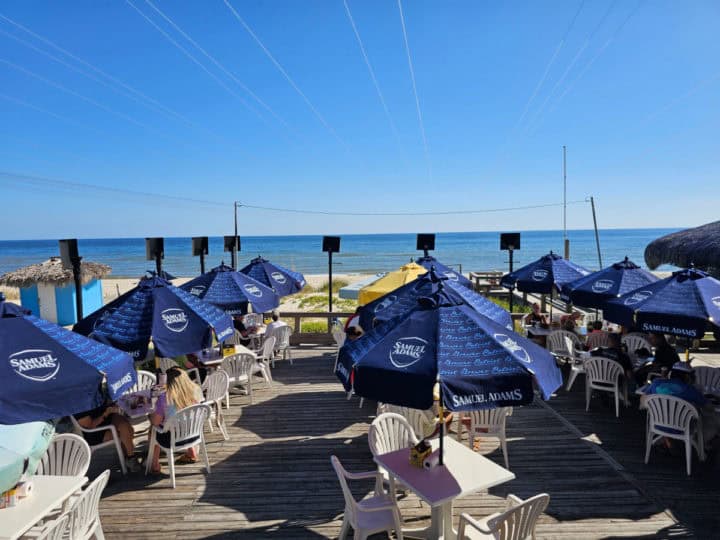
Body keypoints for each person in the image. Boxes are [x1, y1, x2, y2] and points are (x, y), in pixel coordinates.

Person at [643, 362, 718, 448]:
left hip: (658, 425)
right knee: (713, 420)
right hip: (682, 428)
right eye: (692, 375)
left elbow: (643, 402)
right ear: (687, 376)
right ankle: (698, 444)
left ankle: (667, 439)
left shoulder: (656, 383)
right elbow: (709, 407)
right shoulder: (690, 390)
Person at [148, 367, 205, 474]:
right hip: (194, 434)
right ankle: (192, 452)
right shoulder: (196, 390)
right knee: (185, 420)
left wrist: (151, 414)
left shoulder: (164, 398)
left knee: (153, 429)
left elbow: (156, 422)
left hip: (172, 439)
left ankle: (154, 464)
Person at [76, 397, 141, 472]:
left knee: (126, 428)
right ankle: (129, 458)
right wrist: (106, 413)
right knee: (125, 433)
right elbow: (90, 425)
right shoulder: (77, 405)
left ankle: (130, 457)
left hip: (108, 417)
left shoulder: (95, 391)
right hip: (95, 431)